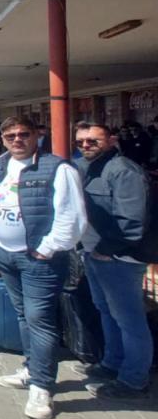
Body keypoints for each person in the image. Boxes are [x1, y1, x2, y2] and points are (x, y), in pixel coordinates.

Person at [0, 116, 87, 419]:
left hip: (38, 259)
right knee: (22, 316)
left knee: (40, 320)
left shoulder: (59, 168)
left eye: (23, 134)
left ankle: (42, 386)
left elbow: (72, 217)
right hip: (6, 254)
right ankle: (31, 368)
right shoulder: (0, 165)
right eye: (10, 136)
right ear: (2, 140)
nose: (17, 140)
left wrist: (48, 248)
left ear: (37, 135)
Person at [73, 122, 152, 399]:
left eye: (92, 141)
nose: (85, 146)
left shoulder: (123, 171)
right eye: (81, 141)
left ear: (111, 140)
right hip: (94, 252)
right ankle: (112, 363)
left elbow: (132, 220)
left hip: (119, 257)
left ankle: (133, 380)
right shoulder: (86, 167)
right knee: (106, 311)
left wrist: (108, 249)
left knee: (129, 319)